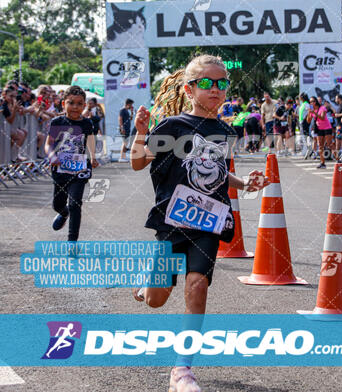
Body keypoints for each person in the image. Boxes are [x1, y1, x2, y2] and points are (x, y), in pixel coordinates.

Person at [129, 54, 268, 392]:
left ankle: (182, 369)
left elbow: (218, 172)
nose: (215, 89)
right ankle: (148, 288)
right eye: (206, 82)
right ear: (190, 89)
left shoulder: (223, 130)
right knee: (157, 300)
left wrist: (244, 184)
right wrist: (141, 133)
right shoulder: (172, 127)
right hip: (172, 221)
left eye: (222, 83)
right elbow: (137, 163)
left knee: (197, 286)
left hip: (208, 221)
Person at [45, 86, 99, 242]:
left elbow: (90, 140)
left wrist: (93, 157)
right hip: (60, 168)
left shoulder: (87, 123)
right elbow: (48, 144)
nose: (75, 107)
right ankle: (63, 212)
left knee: (76, 203)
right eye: (71, 103)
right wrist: (51, 155)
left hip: (79, 168)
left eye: (79, 104)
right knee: (58, 204)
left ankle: (72, 242)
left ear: (84, 106)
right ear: (63, 104)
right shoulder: (57, 121)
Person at [307, 97, 333, 169]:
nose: (311, 103)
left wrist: (314, 113)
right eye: (310, 102)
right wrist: (309, 113)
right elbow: (308, 121)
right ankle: (322, 163)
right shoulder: (312, 110)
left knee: (329, 144)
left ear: (315, 102)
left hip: (327, 128)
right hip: (319, 129)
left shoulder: (322, 108)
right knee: (320, 146)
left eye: (312, 101)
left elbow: (322, 117)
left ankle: (338, 159)